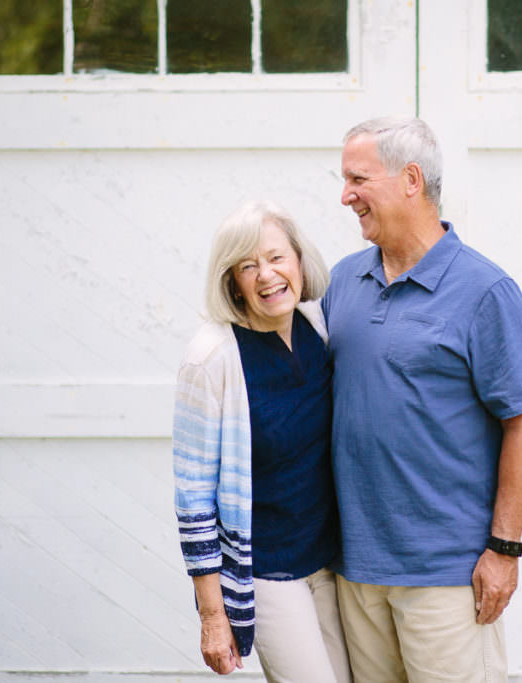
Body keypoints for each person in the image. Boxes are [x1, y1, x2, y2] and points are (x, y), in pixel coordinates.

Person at [322, 116, 522, 682]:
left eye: (358, 179)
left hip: (448, 573)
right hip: (355, 568)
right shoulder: (342, 282)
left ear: (411, 179)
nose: (345, 195)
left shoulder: (485, 291)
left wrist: (505, 550)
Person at [172, 200, 352, 683]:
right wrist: (213, 617)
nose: (266, 275)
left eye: (276, 258)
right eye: (247, 266)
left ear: (298, 260)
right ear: (232, 281)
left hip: (332, 562)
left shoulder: (319, 328)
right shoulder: (212, 358)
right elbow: (193, 502)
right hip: (268, 572)